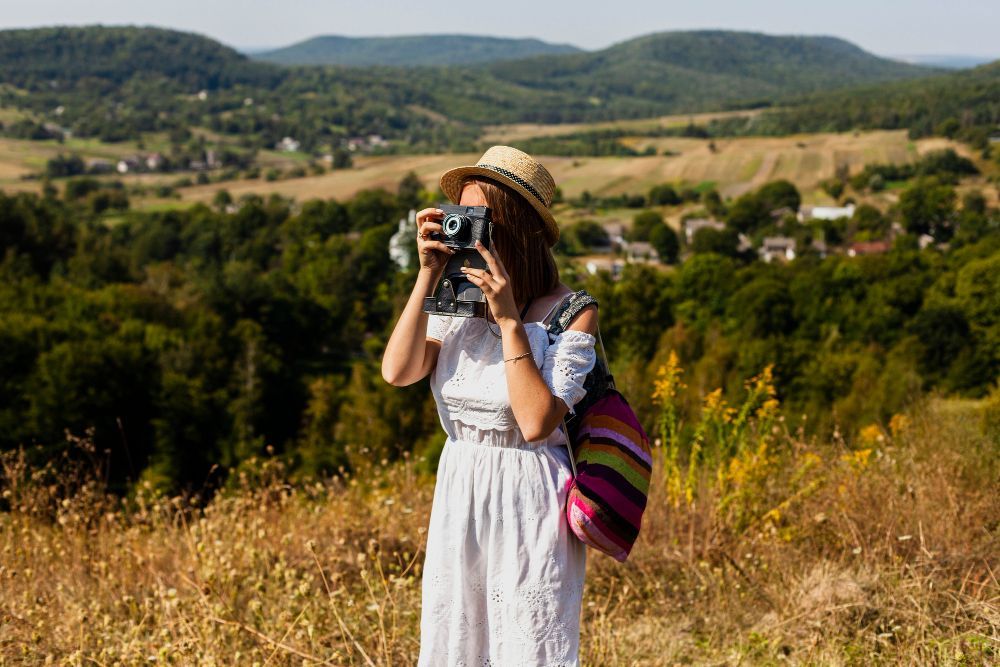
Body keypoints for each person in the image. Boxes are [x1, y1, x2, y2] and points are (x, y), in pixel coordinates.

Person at [381, 145, 598, 665]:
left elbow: (534, 422)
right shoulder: (455, 300)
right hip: (462, 489)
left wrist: (506, 322)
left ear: (512, 227)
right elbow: (397, 371)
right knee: (459, 645)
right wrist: (428, 273)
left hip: (530, 502)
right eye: (459, 215)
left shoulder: (570, 312)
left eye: (477, 217)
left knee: (526, 646)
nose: (465, 228)